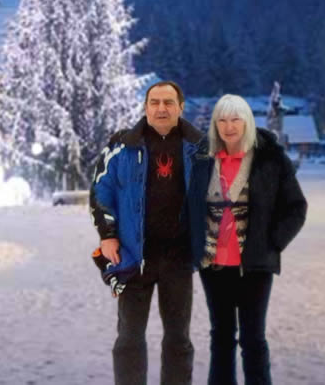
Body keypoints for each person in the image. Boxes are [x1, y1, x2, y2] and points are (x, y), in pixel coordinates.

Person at [90, 80, 206, 385]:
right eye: (154, 102)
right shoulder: (121, 146)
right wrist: (108, 234)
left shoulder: (201, 149)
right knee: (128, 337)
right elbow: (101, 190)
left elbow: (218, 198)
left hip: (179, 259)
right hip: (133, 256)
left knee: (178, 338)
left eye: (168, 102)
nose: (161, 108)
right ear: (145, 107)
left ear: (181, 107)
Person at [187, 94, 307, 385]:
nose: (229, 126)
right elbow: (189, 205)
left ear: (248, 121)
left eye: (236, 119)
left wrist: (272, 243)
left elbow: (296, 207)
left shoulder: (270, 158)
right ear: (215, 124)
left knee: (253, 338)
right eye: (222, 120)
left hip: (254, 265)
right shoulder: (202, 160)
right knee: (222, 337)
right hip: (213, 264)